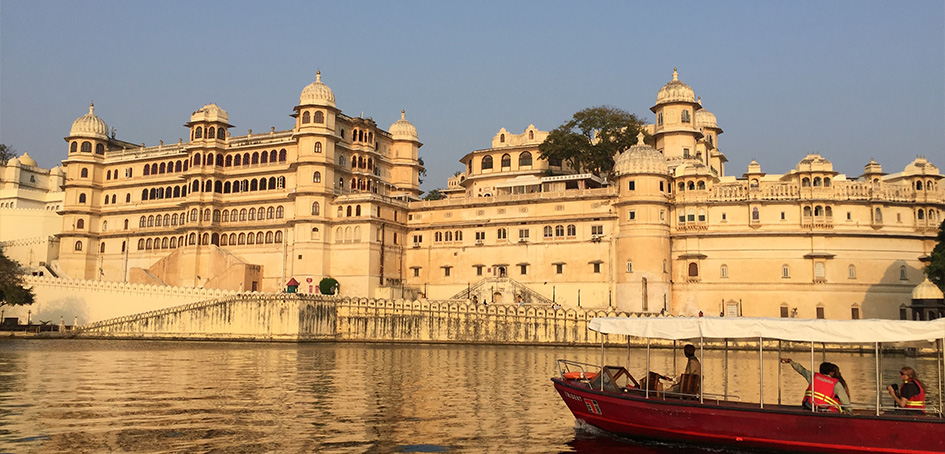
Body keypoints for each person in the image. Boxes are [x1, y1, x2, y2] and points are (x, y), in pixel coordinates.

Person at [781, 358, 851, 414]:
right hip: (826, 409)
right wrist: (849, 412)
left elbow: (801, 370)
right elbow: (845, 400)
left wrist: (791, 362)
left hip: (809, 406)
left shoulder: (814, 376)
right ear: (831, 373)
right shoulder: (836, 383)